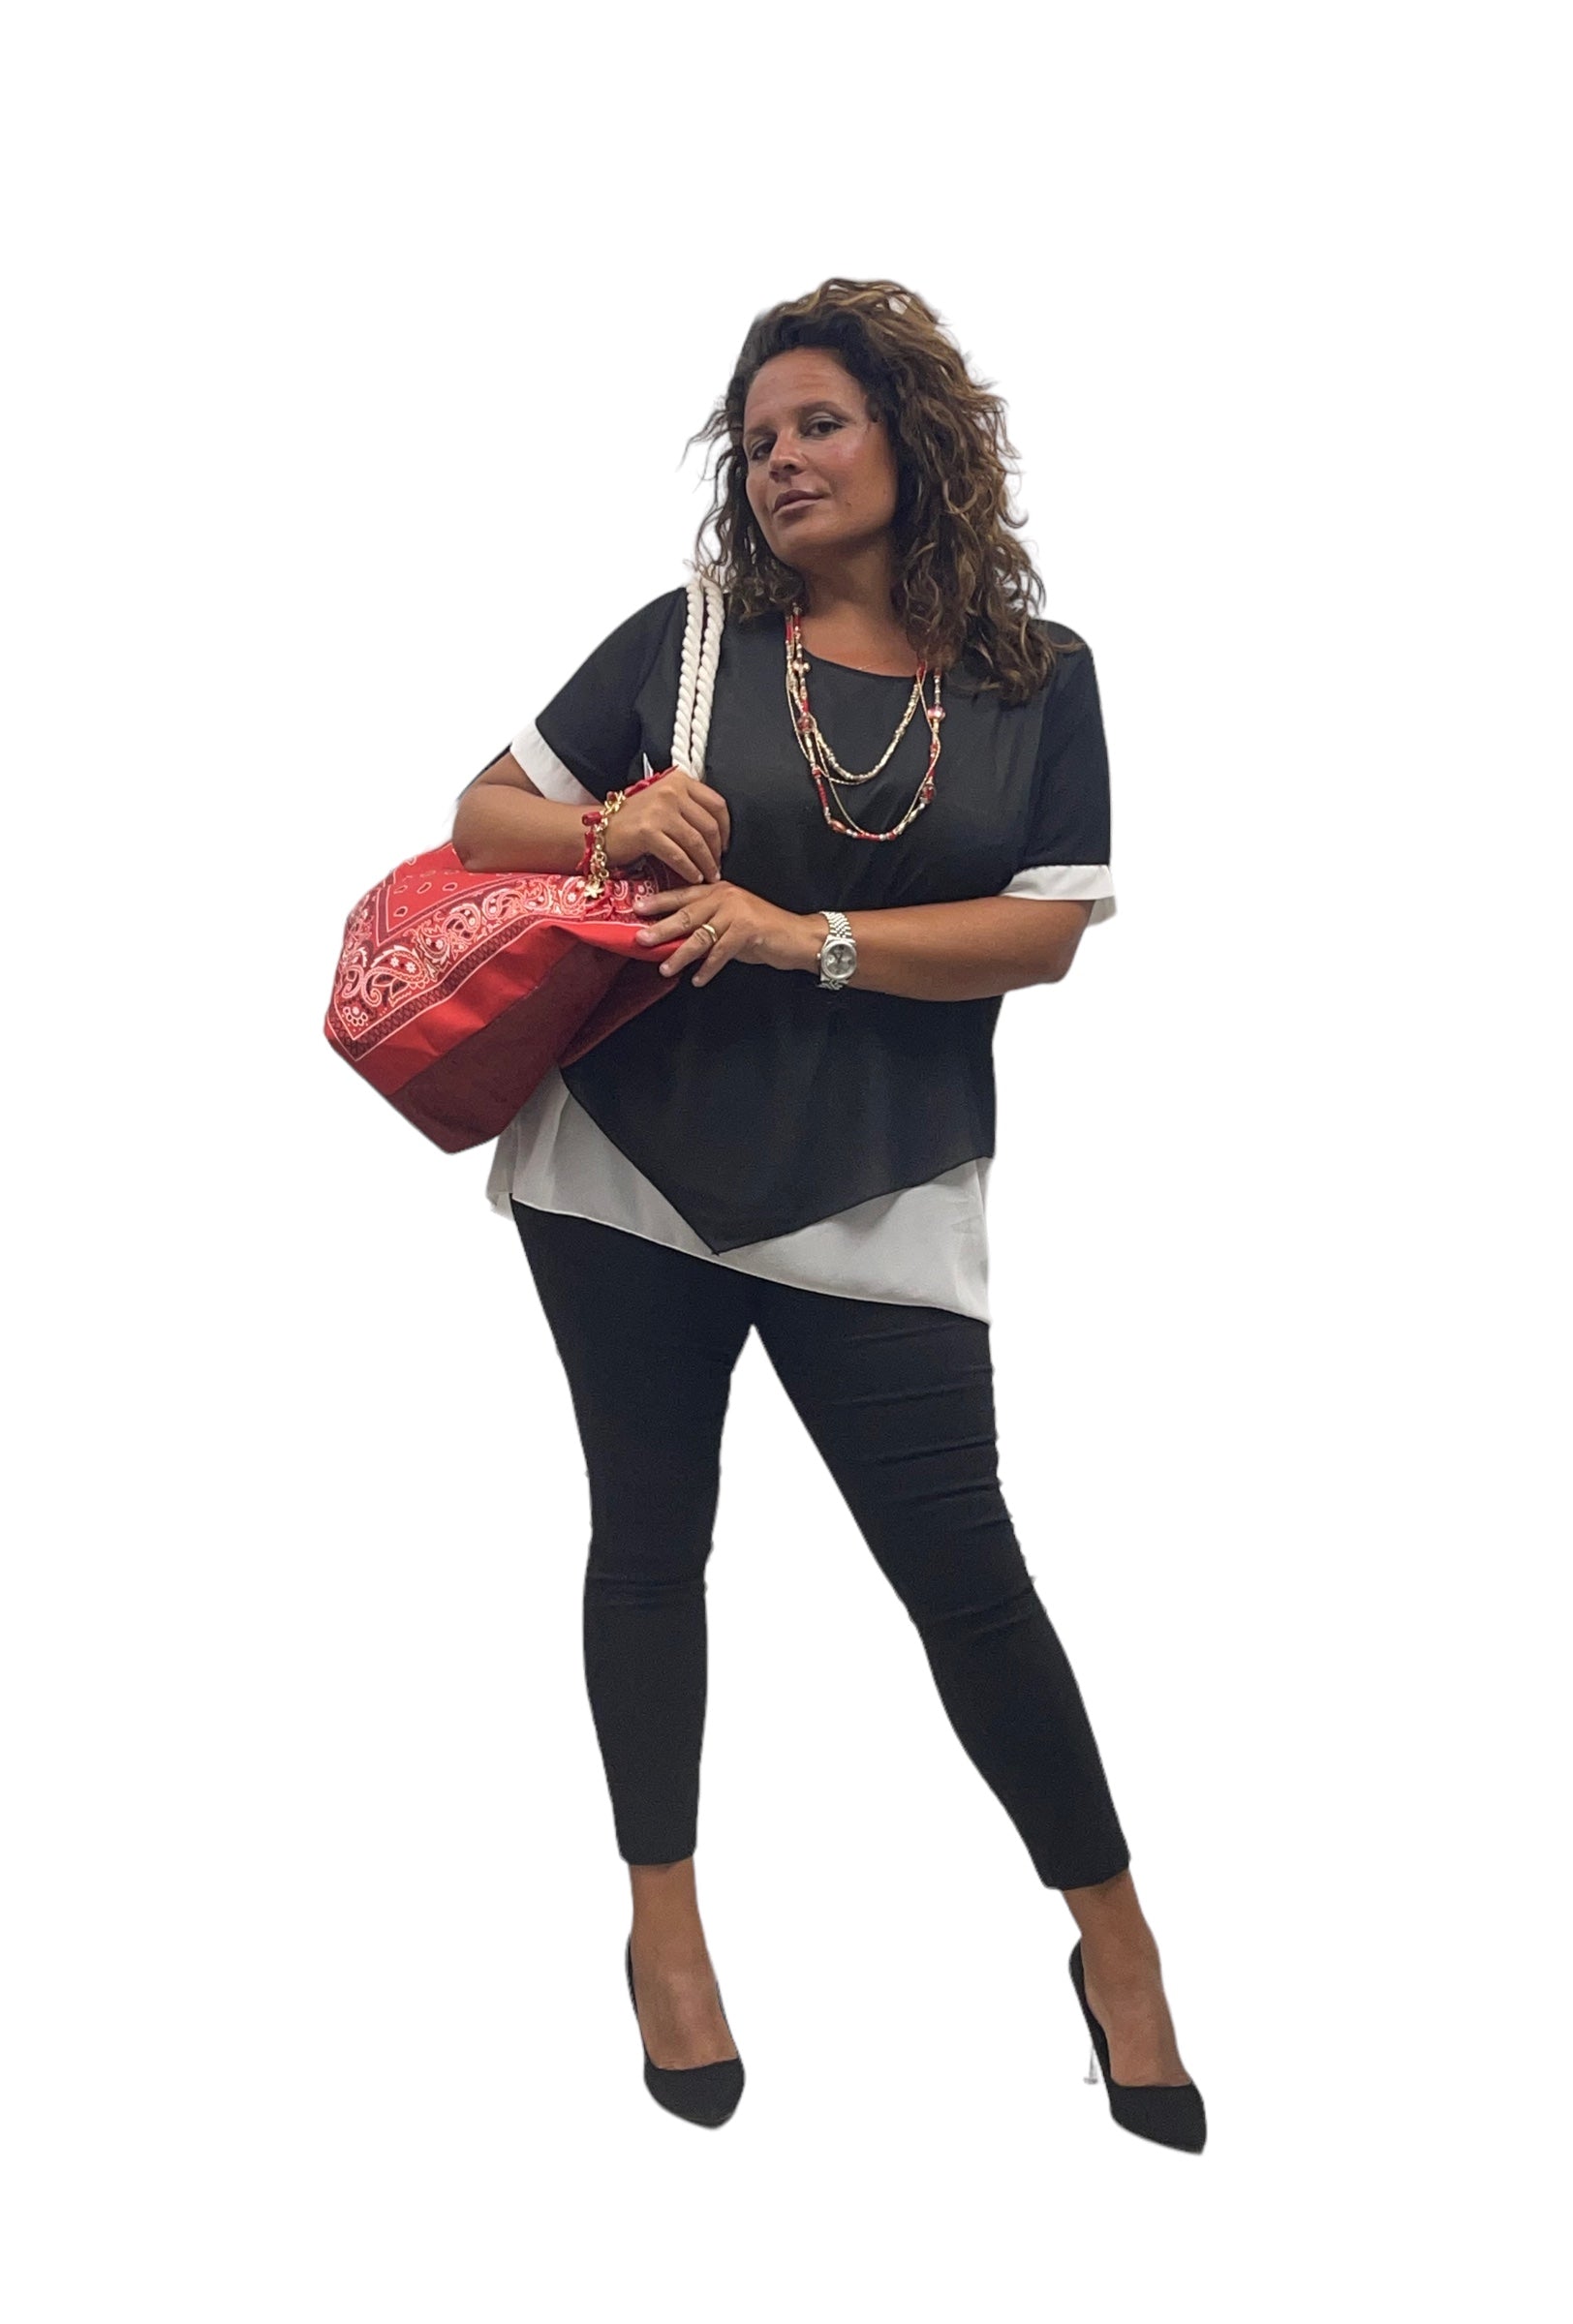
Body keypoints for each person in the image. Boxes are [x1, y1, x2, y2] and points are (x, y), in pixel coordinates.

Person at [450, 278, 1204, 2151]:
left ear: (912, 441)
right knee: (651, 1545)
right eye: (758, 439)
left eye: (819, 425)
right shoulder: (688, 640)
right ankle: (666, 1929)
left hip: (880, 1183)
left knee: (968, 1580)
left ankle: (1115, 1943)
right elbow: (479, 818)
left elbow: (1043, 934)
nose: (781, 460)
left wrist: (807, 937)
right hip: (625, 1168)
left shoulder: (1038, 679)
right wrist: (607, 826)